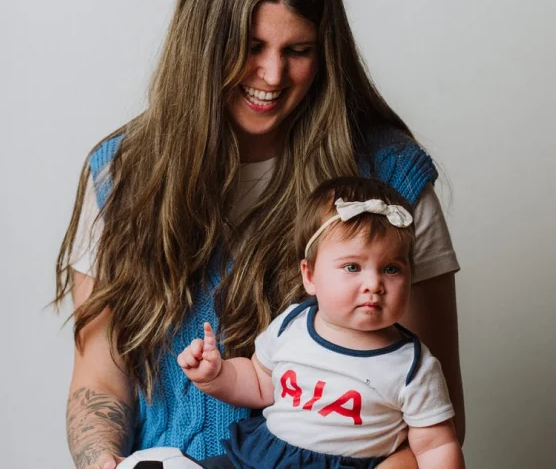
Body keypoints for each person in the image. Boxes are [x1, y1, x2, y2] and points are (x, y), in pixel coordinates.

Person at [55, 0, 464, 469]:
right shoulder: (120, 174)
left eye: (298, 50)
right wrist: (104, 462)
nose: (272, 75)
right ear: (203, 44)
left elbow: (432, 420)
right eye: (249, 46)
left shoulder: (391, 188)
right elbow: (100, 376)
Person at [176, 177, 464, 469]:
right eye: (352, 267)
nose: (374, 284)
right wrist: (215, 375)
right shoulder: (292, 324)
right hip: (265, 459)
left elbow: (436, 446)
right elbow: (260, 384)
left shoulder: (412, 367)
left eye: (391, 269)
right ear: (310, 275)